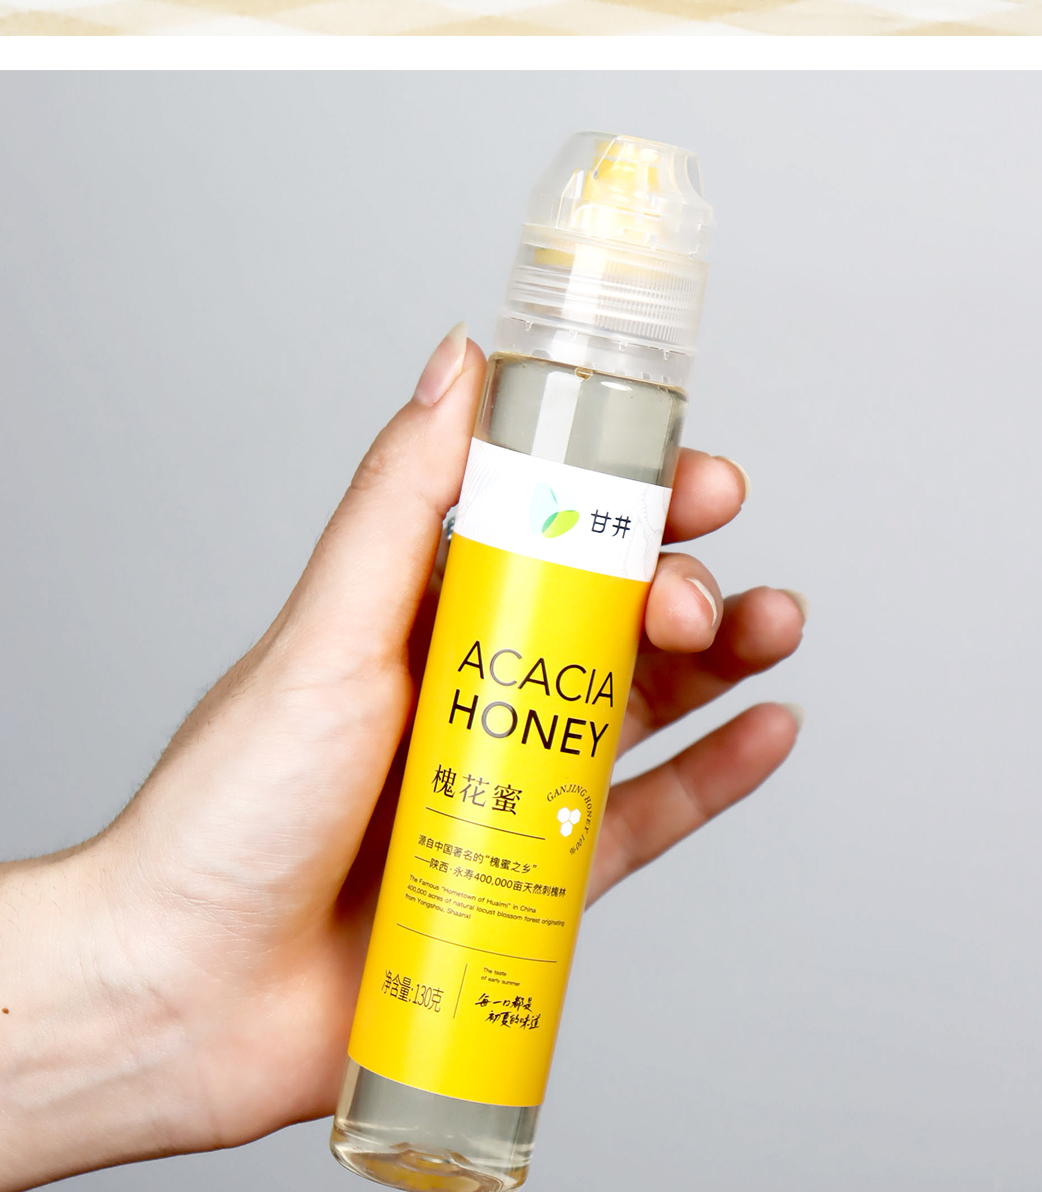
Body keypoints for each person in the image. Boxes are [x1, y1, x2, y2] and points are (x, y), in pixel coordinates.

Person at [0, 326, 806, 1192]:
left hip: (489, 973)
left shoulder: (632, 412)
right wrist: (138, 970)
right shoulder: (526, 390)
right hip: (412, 921)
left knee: (569, 681)